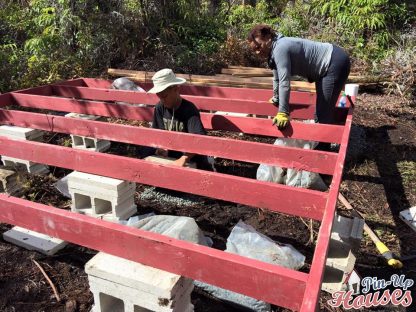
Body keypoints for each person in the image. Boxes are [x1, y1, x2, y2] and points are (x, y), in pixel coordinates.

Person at [247, 24, 350, 129]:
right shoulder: (273, 52)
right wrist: (276, 97)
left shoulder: (280, 48)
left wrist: (283, 112)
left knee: (323, 112)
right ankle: (323, 138)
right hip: (326, 65)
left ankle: (325, 144)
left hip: (334, 62)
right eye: (254, 49)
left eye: (259, 46)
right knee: (321, 111)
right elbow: (277, 78)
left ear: (267, 37)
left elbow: (284, 82)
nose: (257, 52)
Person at [146, 68, 213, 171]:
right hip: (171, 153)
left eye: (165, 96)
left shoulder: (189, 110)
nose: (162, 100)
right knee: (145, 150)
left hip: (190, 156)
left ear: (176, 89)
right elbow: (158, 133)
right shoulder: (160, 107)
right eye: (159, 97)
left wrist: (184, 158)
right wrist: (161, 148)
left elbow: (199, 140)